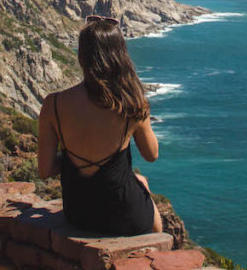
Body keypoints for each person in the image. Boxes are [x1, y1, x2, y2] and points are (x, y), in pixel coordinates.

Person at [38, 15, 163, 235]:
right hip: (124, 213)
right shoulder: (132, 103)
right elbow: (152, 155)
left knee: (139, 180)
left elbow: (45, 170)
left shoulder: (53, 104)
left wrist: (75, 159)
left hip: (78, 213)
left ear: (82, 57)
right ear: (120, 56)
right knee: (148, 200)